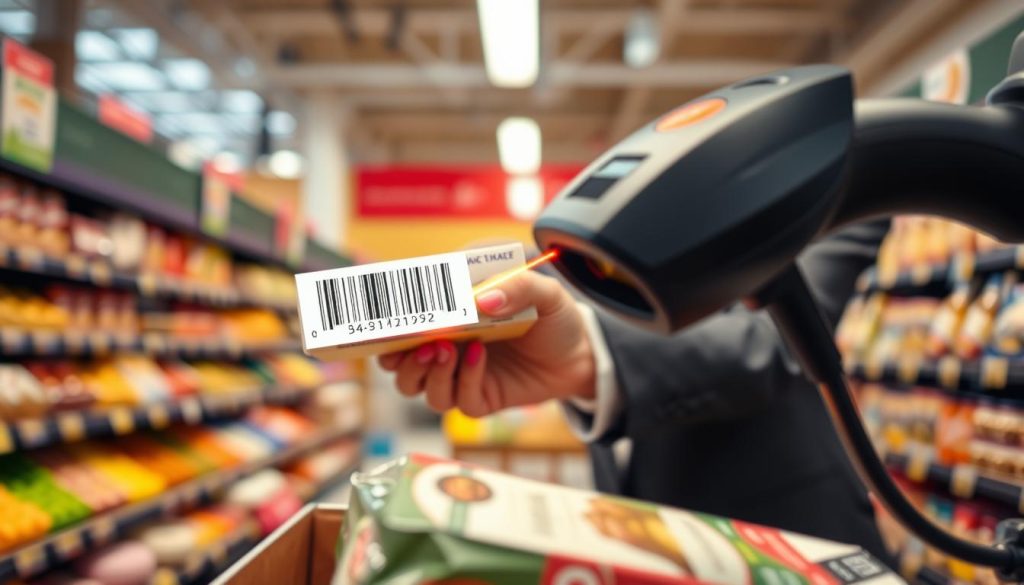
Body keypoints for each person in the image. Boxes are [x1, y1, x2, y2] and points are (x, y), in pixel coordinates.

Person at [378, 220, 891, 561]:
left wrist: (587, 358)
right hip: (660, 549)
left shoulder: (821, 205)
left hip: (797, 548)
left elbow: (776, 341)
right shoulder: (592, 241)